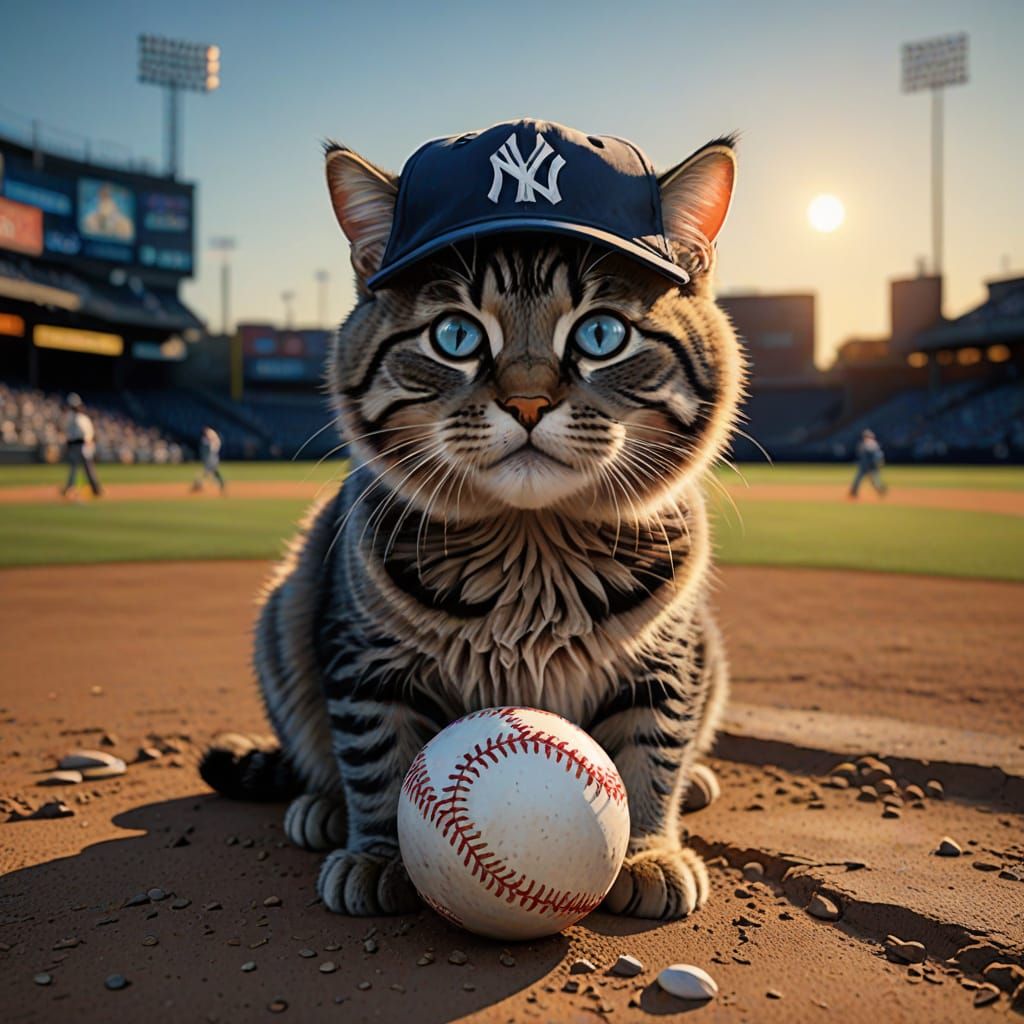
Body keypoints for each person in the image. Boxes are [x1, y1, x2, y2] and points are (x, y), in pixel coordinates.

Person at [61, 393, 103, 498]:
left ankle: (95, 488)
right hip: (75, 445)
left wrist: (88, 445)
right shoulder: (72, 417)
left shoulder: (81, 418)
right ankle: (70, 488)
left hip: (83, 444)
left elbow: (88, 435)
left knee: (86, 468)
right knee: (76, 468)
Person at [849, 428, 887, 498]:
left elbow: (877, 455)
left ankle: (880, 489)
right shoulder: (865, 443)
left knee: (871, 480)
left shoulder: (871, 444)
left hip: (869, 466)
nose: (865, 437)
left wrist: (877, 462)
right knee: (862, 479)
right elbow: (878, 455)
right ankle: (854, 492)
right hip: (866, 466)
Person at [192, 425, 226, 493]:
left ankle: (198, 484)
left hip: (212, 455)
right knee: (212, 470)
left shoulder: (210, 433)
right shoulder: (211, 435)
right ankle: (221, 483)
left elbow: (210, 441)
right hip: (212, 454)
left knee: (209, 470)